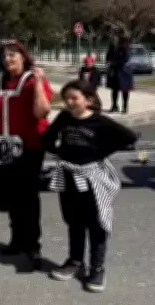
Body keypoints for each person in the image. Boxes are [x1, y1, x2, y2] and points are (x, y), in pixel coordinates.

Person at [44, 80, 137, 293]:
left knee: (96, 223)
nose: (69, 102)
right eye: (66, 97)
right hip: (68, 177)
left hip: (92, 177)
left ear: (89, 99)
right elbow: (49, 138)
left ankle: (97, 267)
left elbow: (129, 137)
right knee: (74, 221)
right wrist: (57, 150)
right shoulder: (64, 117)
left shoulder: (100, 121)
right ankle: (75, 261)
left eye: (74, 98)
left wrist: (99, 152)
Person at [0, 40, 52, 269]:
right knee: (12, 196)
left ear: (24, 57)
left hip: (30, 148)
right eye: (5, 55)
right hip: (6, 148)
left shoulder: (32, 80)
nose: (8, 59)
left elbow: (42, 111)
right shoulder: (1, 80)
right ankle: (17, 240)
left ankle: (33, 246)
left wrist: (38, 84)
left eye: (13, 55)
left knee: (28, 197)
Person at [105, 36, 133, 113]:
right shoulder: (112, 47)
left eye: (117, 41)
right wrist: (109, 60)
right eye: (114, 41)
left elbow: (125, 59)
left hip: (124, 71)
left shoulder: (126, 48)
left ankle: (125, 106)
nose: (115, 42)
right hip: (114, 71)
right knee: (114, 89)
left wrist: (114, 61)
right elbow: (107, 57)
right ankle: (114, 106)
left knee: (125, 90)